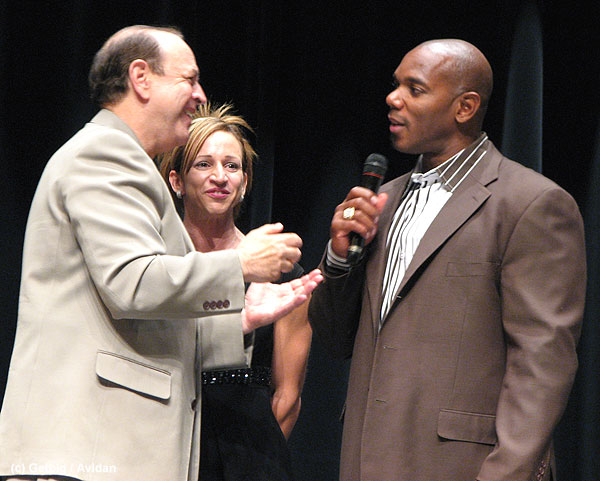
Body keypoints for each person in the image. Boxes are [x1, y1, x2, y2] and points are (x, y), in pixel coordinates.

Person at [0, 25, 322, 481]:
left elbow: (139, 318)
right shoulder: (106, 155)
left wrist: (240, 319)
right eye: (189, 79)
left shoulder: (123, 161)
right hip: (86, 449)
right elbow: (132, 284)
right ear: (141, 78)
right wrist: (240, 264)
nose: (199, 95)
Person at [308, 39, 585, 481]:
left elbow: (542, 362)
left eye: (414, 89)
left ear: (465, 107)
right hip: (368, 460)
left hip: (463, 468)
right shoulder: (384, 201)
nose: (393, 98)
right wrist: (340, 260)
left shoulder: (531, 203)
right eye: (395, 84)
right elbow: (336, 340)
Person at [159, 102, 312, 480]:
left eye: (232, 166)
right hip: (164, 448)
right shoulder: (155, 268)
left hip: (251, 458)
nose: (220, 177)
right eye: (204, 164)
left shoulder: (281, 273)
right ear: (177, 181)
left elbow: (288, 396)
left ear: (244, 182)